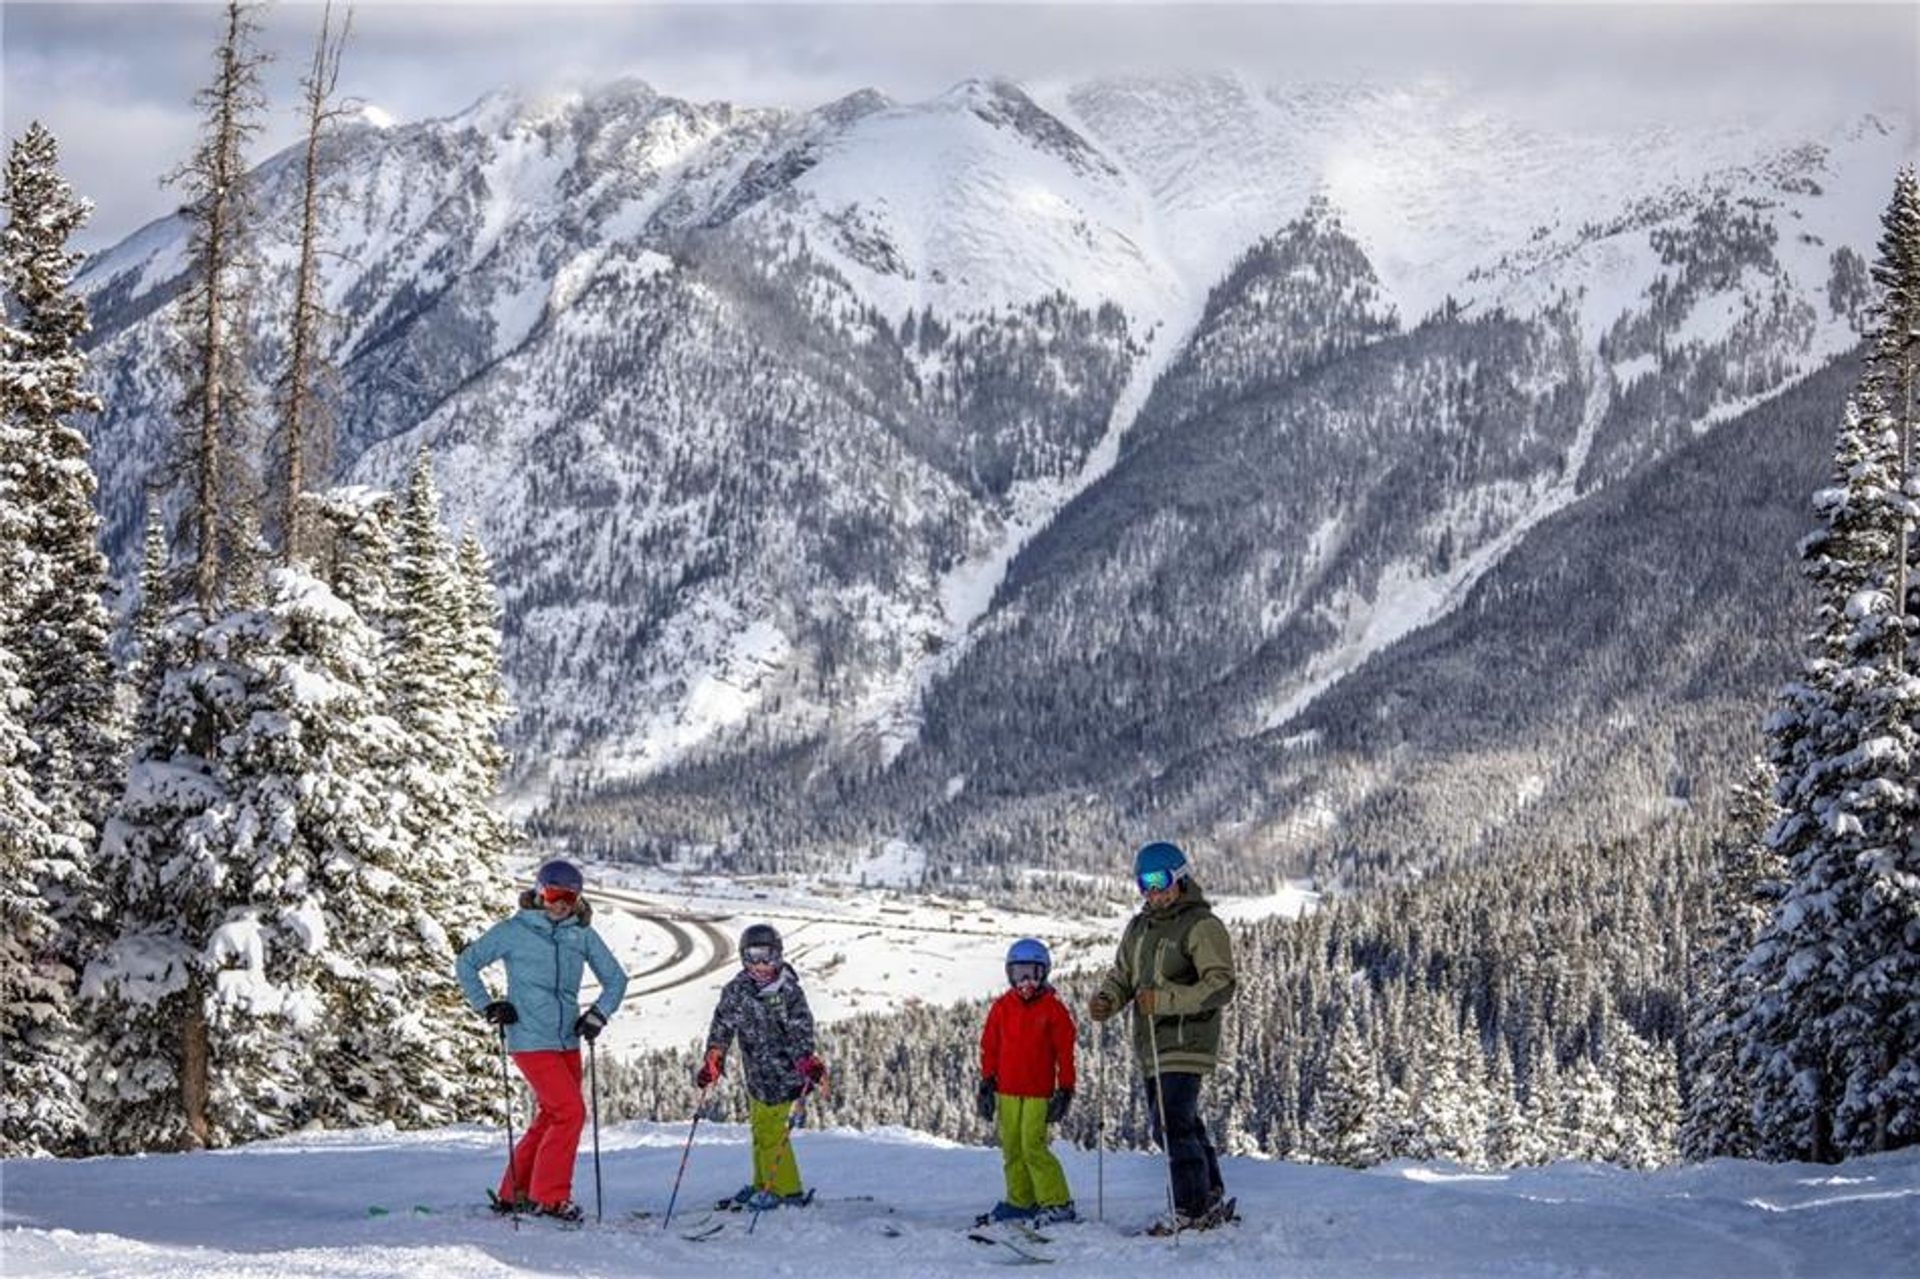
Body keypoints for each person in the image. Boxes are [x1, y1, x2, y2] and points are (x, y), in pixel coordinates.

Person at [456, 858, 628, 1222]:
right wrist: (487, 1006)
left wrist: (598, 1014)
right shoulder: (513, 931)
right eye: (553, 894)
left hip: (568, 1040)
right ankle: (550, 1198)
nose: (560, 903)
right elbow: (466, 963)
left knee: (550, 1116)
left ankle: (514, 1193)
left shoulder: (581, 934)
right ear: (539, 892)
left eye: (569, 896)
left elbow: (616, 979)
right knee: (570, 1113)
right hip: (530, 1039)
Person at [1088, 840, 1238, 1233]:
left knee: (1171, 1125)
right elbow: (1122, 975)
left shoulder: (1201, 925)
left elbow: (1220, 985)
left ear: (1180, 876)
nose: (1153, 891)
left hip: (1187, 1039)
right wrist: (1108, 999)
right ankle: (1209, 1193)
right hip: (1150, 1042)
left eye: (1160, 880)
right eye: (1144, 883)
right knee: (1177, 1121)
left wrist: (1166, 1001)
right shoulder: (1139, 927)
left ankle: (1191, 1208)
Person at [696, 922, 827, 1211]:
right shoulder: (737, 991)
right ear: (744, 957)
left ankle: (787, 1190)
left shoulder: (789, 993)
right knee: (759, 1130)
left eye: (767, 956)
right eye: (753, 956)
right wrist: (714, 1059)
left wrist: (806, 1061)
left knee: (770, 1132)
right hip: (756, 1076)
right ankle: (762, 1183)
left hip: (784, 1076)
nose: (761, 964)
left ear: (778, 956)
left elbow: (800, 1031)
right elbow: (722, 1026)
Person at [976, 937, 1079, 1228]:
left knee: (1032, 1147)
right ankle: (1021, 1201)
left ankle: (1057, 1202)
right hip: (1007, 1090)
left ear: (1043, 973)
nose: (1025, 981)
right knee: (1012, 1147)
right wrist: (986, 1082)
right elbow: (990, 1046)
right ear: (1009, 974)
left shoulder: (1053, 1009)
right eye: (1018, 973)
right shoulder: (1002, 1007)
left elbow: (1065, 1053)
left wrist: (1066, 1089)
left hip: (1037, 1091)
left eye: (1032, 973)